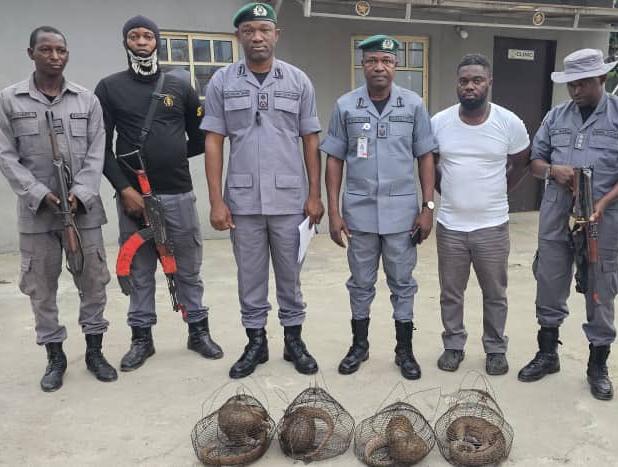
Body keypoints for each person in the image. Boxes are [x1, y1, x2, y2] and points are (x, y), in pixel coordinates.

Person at [518, 49, 618, 403]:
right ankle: (548, 354)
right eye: (570, 84)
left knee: (600, 287)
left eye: (582, 84)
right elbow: (535, 160)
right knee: (548, 280)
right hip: (556, 215)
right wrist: (552, 171)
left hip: (600, 219)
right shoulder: (556, 116)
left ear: (602, 80)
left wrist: (605, 202)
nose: (574, 90)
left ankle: (598, 365)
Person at [201, 2, 323, 378]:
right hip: (243, 201)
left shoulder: (298, 81)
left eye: (264, 29)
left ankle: (294, 341)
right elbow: (214, 142)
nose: (257, 36)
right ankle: (256, 343)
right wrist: (216, 200)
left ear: (276, 35)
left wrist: (314, 195)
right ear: (239, 35)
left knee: (290, 277)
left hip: (290, 200)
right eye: (249, 30)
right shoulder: (222, 81)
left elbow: (311, 140)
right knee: (250, 278)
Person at [95, 15, 222, 372]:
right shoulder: (109, 87)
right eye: (133, 36)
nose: (141, 41)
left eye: (147, 36)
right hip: (133, 198)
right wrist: (124, 189)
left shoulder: (180, 84)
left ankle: (198, 331)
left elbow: (199, 138)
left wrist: (169, 155)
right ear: (125, 43)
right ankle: (141, 339)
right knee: (138, 268)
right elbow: (101, 148)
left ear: (157, 42)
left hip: (178, 193)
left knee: (188, 267)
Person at [0, 26, 116, 391]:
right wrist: (38, 193)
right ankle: (55, 356)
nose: (54, 56)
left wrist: (80, 192)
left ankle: (95, 350)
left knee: (93, 282)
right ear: (30, 53)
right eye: (45, 49)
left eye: (60, 49)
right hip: (37, 214)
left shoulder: (86, 100)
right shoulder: (9, 100)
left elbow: (97, 152)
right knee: (41, 287)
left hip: (84, 213)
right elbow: (6, 155)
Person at [321, 34, 438, 380]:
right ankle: (360, 345)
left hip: (403, 215)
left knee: (403, 283)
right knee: (360, 283)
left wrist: (428, 206)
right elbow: (334, 160)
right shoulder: (345, 106)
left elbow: (426, 157)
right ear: (362, 65)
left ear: (396, 65)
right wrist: (334, 211)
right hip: (359, 213)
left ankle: (404, 350)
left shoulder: (414, 105)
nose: (379, 67)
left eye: (386, 61)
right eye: (372, 60)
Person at [429, 54, 530, 376]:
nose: (470, 86)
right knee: (451, 293)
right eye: (464, 81)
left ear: (488, 83)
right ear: (457, 84)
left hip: (492, 226)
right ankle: (453, 345)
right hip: (450, 226)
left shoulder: (508, 122)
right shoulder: (440, 121)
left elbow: (522, 161)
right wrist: (448, 194)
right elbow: (430, 164)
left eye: (477, 80)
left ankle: (496, 348)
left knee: (495, 294)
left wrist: (499, 191)